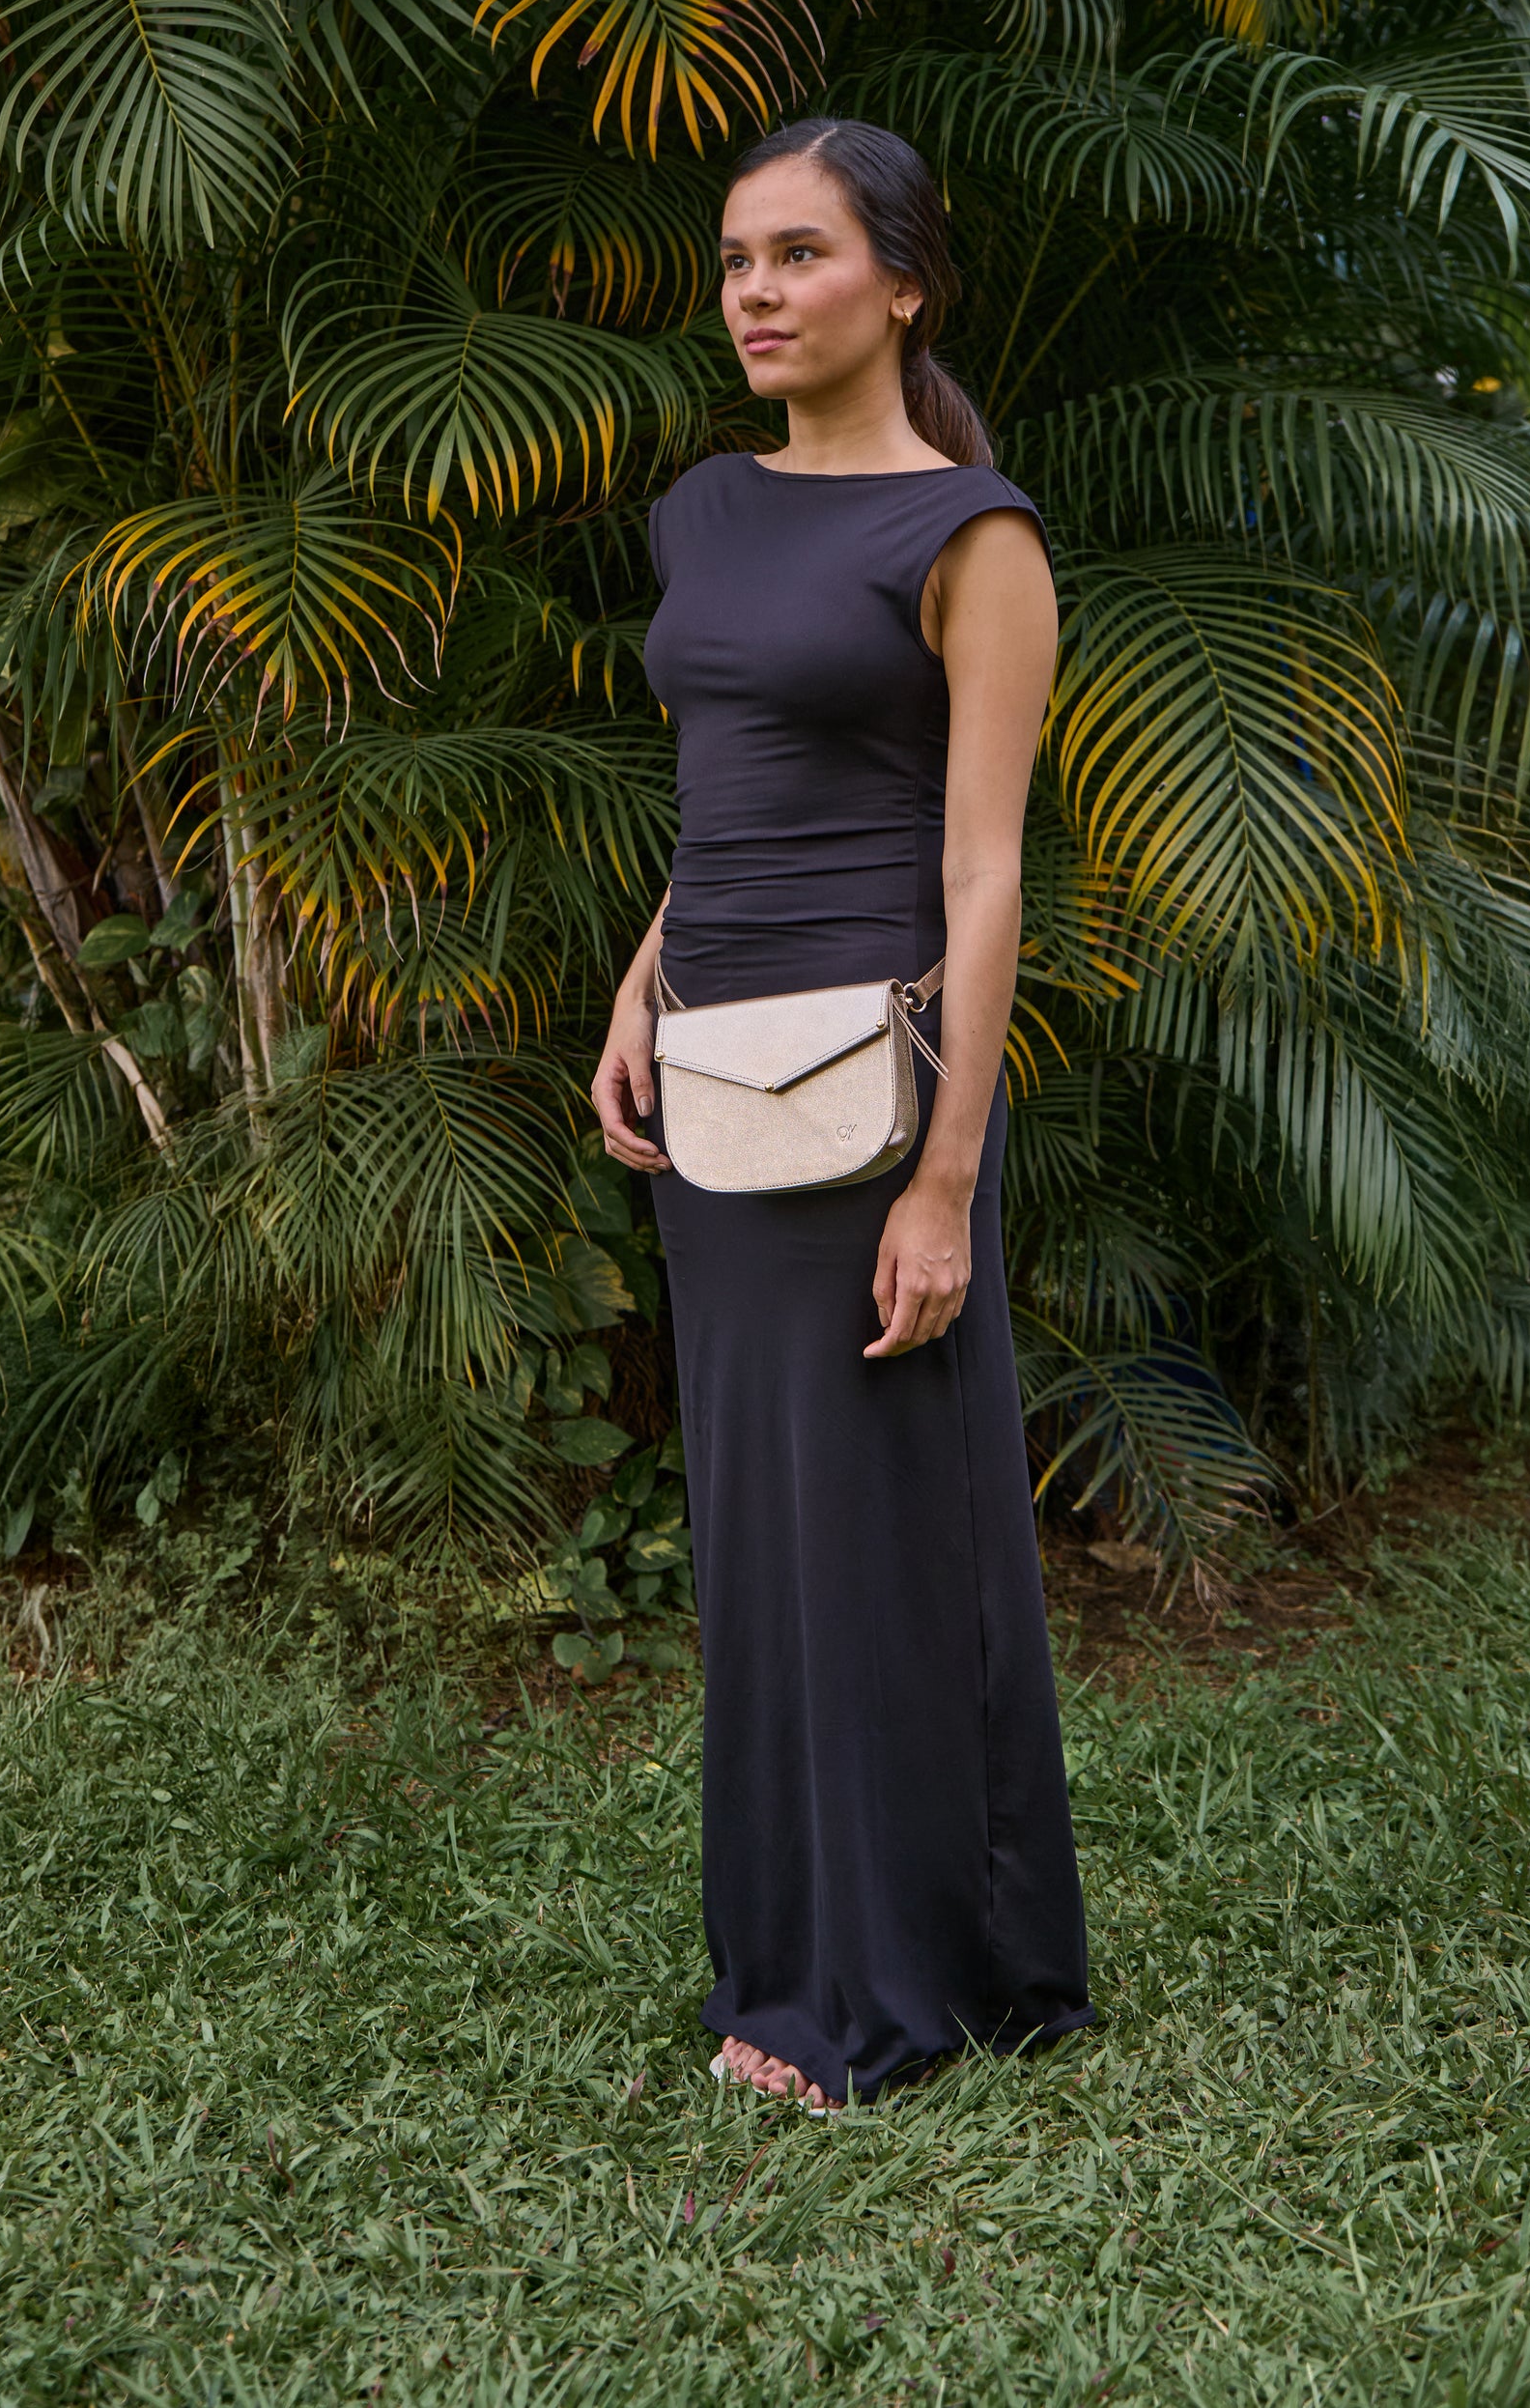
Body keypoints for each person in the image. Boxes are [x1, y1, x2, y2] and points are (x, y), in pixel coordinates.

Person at [590, 117, 1092, 2113]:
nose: (756, 293)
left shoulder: (974, 534)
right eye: (732, 260)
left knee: (880, 1537)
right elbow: (725, 790)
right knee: (766, 1541)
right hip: (712, 1089)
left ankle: (879, 1987)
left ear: (902, 281)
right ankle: (794, 1947)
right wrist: (638, 982)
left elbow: (983, 872)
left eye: (797, 253)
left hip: (871, 1107)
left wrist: (947, 1174)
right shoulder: (702, 511)